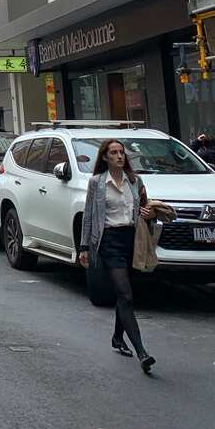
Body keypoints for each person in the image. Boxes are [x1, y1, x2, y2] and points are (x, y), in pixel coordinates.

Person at [79, 138, 156, 373]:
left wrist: (148, 211)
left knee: (126, 295)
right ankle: (142, 352)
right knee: (125, 294)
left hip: (133, 239)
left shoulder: (135, 181)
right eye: (114, 153)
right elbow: (89, 216)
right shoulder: (97, 183)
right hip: (109, 241)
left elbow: (145, 209)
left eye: (121, 152)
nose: (120, 156)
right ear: (105, 157)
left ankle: (117, 337)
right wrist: (84, 247)